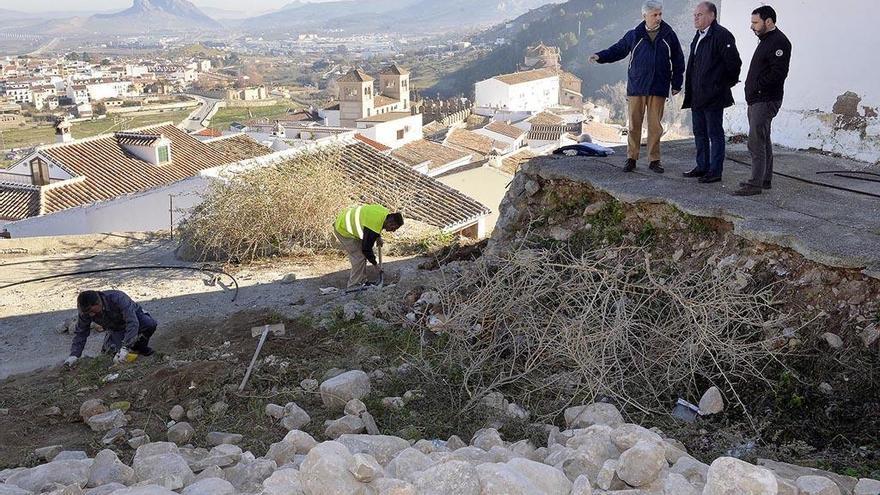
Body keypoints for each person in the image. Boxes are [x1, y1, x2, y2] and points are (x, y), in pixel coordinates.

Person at [590, 0, 685, 174]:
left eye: (660, 14)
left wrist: (676, 83)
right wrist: (600, 56)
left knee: (655, 126)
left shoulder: (669, 35)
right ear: (644, 16)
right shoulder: (634, 35)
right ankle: (631, 158)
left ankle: (654, 160)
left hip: (658, 87)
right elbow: (618, 50)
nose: (658, 18)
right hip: (637, 86)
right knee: (634, 125)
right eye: (654, 15)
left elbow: (678, 60)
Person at [682, 1, 742, 184]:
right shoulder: (698, 35)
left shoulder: (722, 35)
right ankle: (702, 166)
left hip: (714, 96)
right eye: (695, 15)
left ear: (711, 16)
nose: (695, 18)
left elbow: (734, 65)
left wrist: (720, 86)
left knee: (715, 134)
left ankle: (715, 171)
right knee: (699, 132)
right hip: (697, 95)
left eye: (699, 15)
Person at [734, 5, 791, 196]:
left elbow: (778, 73)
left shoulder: (779, 42)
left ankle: (755, 184)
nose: (752, 27)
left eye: (755, 22)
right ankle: (764, 179)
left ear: (768, 21)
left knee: (756, 141)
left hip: (765, 99)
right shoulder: (766, 40)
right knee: (763, 138)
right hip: (758, 98)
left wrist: (757, 87)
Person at [64, 290, 157, 368]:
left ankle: (140, 348)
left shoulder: (118, 298)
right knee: (109, 357)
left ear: (98, 303)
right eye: (87, 313)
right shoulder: (85, 312)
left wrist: (126, 346)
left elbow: (132, 322)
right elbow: (81, 332)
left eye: (92, 311)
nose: (91, 315)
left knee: (150, 324)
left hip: (136, 319)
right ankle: (125, 347)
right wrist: (74, 355)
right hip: (116, 329)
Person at [334, 204, 404, 288]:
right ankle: (354, 284)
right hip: (343, 229)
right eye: (394, 227)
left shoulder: (384, 212)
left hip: (345, 220)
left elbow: (372, 222)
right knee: (359, 257)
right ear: (390, 222)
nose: (393, 231)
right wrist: (375, 265)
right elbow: (366, 249)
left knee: (361, 255)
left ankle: (362, 280)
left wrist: (378, 236)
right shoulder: (374, 225)